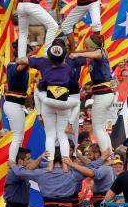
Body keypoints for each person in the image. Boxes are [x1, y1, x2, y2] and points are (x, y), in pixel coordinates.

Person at [23, 43, 84, 172]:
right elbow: (84, 60)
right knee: (63, 137)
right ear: (63, 57)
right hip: (64, 105)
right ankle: (66, 165)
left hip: (48, 104)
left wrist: (39, 114)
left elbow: (37, 91)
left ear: (49, 57)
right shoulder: (69, 66)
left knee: (50, 136)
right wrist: (75, 54)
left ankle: (50, 164)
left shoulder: (45, 65)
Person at [70, 34, 119, 152]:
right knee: (101, 128)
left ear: (93, 46)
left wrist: (77, 54)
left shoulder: (99, 53)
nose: (86, 48)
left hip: (103, 94)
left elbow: (96, 54)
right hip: (104, 94)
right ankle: (109, 154)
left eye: (88, 46)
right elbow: (88, 52)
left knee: (97, 128)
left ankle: (105, 156)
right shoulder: (97, 51)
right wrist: (75, 51)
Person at [4, 58, 30, 162]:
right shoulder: (15, 68)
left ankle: (18, 160)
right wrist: (30, 59)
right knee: (17, 136)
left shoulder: (11, 66)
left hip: (16, 105)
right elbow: (20, 67)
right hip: (13, 104)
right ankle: (12, 162)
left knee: (20, 136)